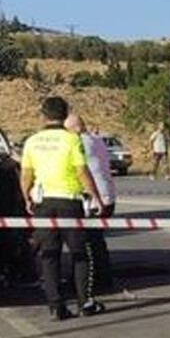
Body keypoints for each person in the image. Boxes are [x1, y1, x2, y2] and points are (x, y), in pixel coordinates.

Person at [19, 97, 105, 319]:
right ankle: (85, 302)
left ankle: (56, 306)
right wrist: (96, 198)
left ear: (43, 115)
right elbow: (81, 172)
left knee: (49, 255)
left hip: (44, 202)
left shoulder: (32, 141)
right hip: (69, 201)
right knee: (79, 253)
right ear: (66, 115)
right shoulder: (71, 140)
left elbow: (26, 174)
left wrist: (26, 197)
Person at [65, 115, 116, 291]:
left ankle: (91, 282)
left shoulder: (81, 144)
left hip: (94, 200)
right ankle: (103, 278)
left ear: (76, 129)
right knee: (96, 241)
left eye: (68, 130)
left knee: (86, 243)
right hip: (107, 197)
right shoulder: (96, 140)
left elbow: (76, 169)